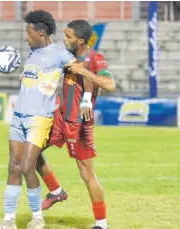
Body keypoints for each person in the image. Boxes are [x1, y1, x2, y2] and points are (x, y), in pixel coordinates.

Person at [0, 10, 75, 229]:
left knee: (27, 167)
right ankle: (9, 219)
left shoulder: (60, 54)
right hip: (19, 115)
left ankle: (37, 217)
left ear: (41, 33)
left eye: (28, 32)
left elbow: (78, 69)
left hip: (40, 118)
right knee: (13, 166)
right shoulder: (33, 52)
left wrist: (85, 100)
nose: (26, 36)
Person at [36, 20, 116, 229]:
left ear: (80, 40)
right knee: (31, 150)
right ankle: (56, 192)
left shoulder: (95, 59)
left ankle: (101, 223)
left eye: (68, 36)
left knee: (86, 174)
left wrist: (84, 72)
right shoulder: (67, 56)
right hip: (59, 117)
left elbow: (110, 84)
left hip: (79, 124)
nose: (65, 39)